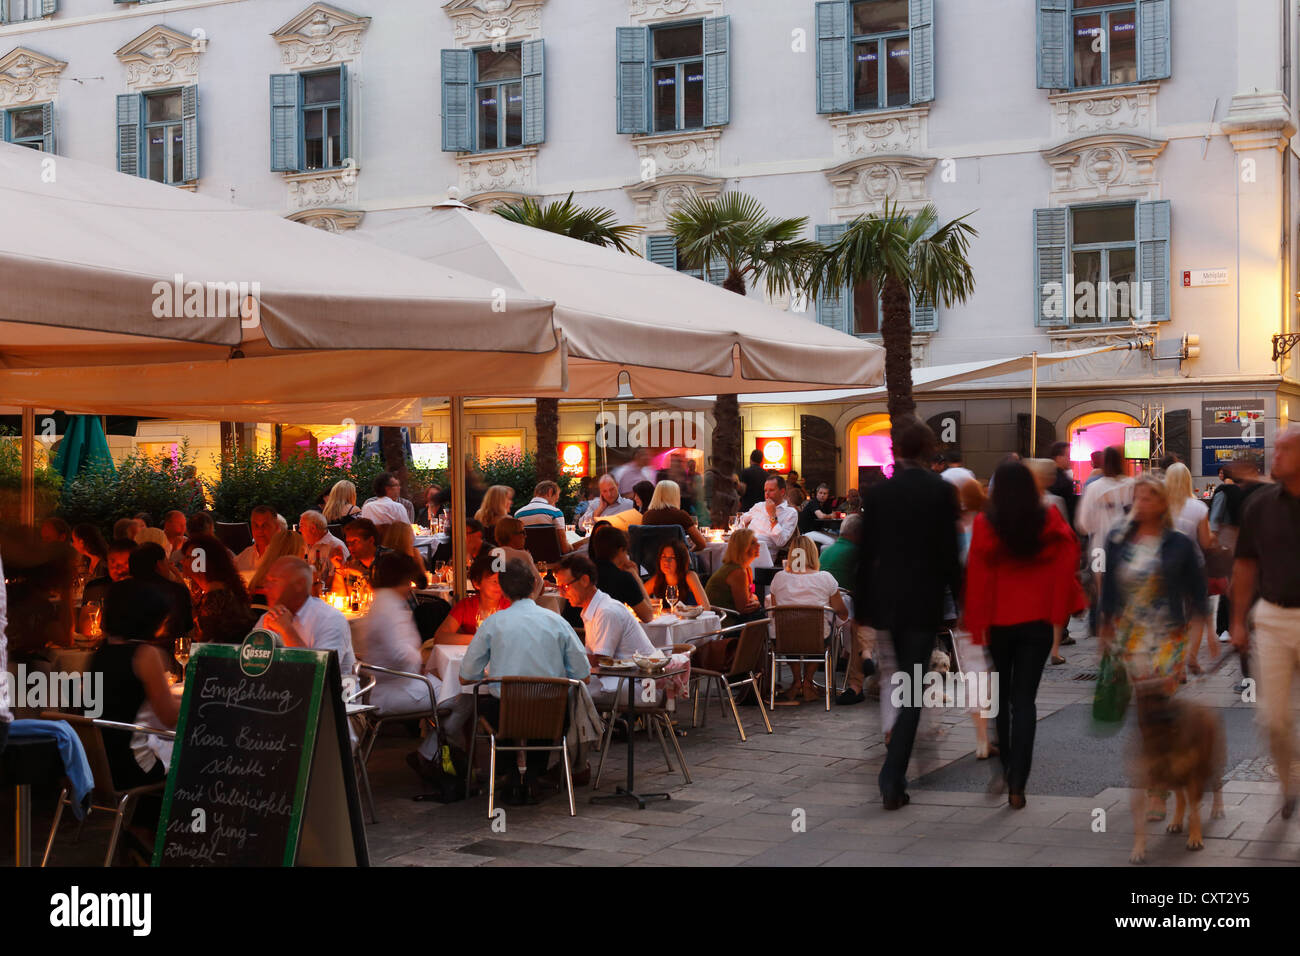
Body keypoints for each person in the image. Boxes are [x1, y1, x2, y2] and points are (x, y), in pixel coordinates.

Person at [964, 461, 1083, 809]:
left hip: (999, 621)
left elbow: (978, 574)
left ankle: (1005, 768)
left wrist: (975, 622)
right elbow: (1067, 558)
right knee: (1025, 702)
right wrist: (1060, 608)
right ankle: (1019, 782)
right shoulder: (1049, 519)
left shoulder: (987, 523)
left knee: (1000, 697)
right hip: (1038, 621)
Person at [857, 417, 961, 811]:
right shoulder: (940, 490)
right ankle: (892, 775)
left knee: (895, 682)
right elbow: (950, 555)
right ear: (927, 450)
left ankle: (895, 772)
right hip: (922, 604)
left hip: (887, 603)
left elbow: (867, 556)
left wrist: (863, 608)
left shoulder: (880, 493)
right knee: (913, 689)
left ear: (898, 452)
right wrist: (959, 603)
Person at [1103, 471, 1207, 822]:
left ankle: (1162, 786)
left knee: (1162, 709)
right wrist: (1103, 627)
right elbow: (1108, 591)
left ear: (1162, 502)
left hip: (1168, 639)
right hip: (1132, 638)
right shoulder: (1118, 539)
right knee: (1146, 715)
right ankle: (1158, 781)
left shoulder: (1177, 543)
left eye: (1149, 497)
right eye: (1138, 497)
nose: (1141, 503)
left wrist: (1197, 642)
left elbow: (1198, 591)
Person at [458, 558, 591, 800]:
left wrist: (494, 675)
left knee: (491, 706)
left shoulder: (493, 623)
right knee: (545, 707)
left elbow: (467, 676)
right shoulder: (557, 622)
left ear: (506, 591)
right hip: (552, 715)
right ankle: (534, 773)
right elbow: (583, 674)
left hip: (506, 716)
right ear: (533, 586)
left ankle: (509, 771)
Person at [1231, 425, 1300, 818]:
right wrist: (1237, 622)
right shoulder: (1259, 506)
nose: (1276, 456)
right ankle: (1289, 785)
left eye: (1286, 450)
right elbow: (1244, 566)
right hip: (1272, 616)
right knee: (1273, 717)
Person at [91, 579, 181, 795]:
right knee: (195, 758)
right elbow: (169, 716)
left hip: (101, 765)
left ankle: (139, 826)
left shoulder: (100, 653)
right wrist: (197, 700)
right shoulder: (146, 654)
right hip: (134, 765)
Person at [555, 553, 659, 707]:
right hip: (625, 679)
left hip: (641, 686)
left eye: (564, 587)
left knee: (560, 692)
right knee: (560, 686)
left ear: (584, 580)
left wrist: (563, 658)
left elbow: (601, 661)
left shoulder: (606, 611)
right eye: (558, 588)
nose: (561, 594)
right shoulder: (593, 609)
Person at [767, 534, 849, 704]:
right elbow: (842, 611)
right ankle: (808, 682)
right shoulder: (826, 578)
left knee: (789, 629)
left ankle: (798, 681)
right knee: (822, 630)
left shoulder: (779, 578)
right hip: (817, 638)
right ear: (813, 553)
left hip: (785, 639)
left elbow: (776, 613)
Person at [356, 551, 433, 714]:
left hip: (389, 682)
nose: (410, 588)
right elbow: (398, 654)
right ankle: (436, 740)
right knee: (458, 695)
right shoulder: (389, 608)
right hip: (394, 688)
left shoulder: (384, 602)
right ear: (402, 580)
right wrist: (420, 662)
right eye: (409, 582)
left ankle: (437, 737)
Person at [257, 557, 356, 675]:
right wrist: (264, 639)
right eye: (266, 581)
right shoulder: (269, 617)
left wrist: (287, 630)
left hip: (336, 692)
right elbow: (251, 666)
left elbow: (318, 674)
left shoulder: (330, 619)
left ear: (299, 584)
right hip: (281, 691)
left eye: (274, 581)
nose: (266, 588)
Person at [1075, 446, 1134, 637]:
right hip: (1128, 547)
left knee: (1102, 592)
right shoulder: (1132, 485)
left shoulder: (1093, 488)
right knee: (1127, 589)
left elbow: (1083, 524)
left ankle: (1106, 631)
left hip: (1100, 546)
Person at [1166, 462, 1217, 674]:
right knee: (1196, 614)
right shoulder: (1198, 508)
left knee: (1172, 615)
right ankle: (1192, 658)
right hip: (1194, 567)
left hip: (1166, 567)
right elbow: (1205, 543)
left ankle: (1176, 664)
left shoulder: (1160, 506)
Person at [820, 513, 875, 704]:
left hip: (822, 613)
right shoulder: (857, 554)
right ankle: (858, 673)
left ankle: (849, 657)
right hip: (843, 613)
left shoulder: (826, 551)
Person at [180, 534, 255, 644]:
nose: (182, 562)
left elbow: (203, 638)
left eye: (187, 557)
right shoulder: (220, 590)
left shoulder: (216, 596)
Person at [434, 552, 512, 645]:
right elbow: (440, 637)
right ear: (476, 583)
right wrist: (479, 639)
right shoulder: (466, 606)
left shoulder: (510, 607)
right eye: (494, 581)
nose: (499, 585)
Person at [127, 543, 193, 647]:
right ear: (159, 565)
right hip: (169, 653)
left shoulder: (121, 591)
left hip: (129, 654)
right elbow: (187, 627)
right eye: (166, 561)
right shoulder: (176, 591)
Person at [588, 524, 655, 622]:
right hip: (607, 633)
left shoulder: (584, 572)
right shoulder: (622, 578)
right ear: (620, 551)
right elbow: (648, 616)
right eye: (626, 552)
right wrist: (636, 578)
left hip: (577, 633)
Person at [705, 527, 763, 621]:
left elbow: (751, 595)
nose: (758, 545)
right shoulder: (737, 572)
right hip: (724, 621)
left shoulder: (746, 568)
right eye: (753, 543)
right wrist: (757, 603)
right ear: (743, 548)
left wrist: (756, 602)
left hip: (733, 615)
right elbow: (744, 608)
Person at [641, 480, 707, 550]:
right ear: (675, 495)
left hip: (652, 559)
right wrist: (689, 553)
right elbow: (701, 544)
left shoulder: (647, 516)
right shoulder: (681, 515)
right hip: (677, 558)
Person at [738, 474, 799, 550]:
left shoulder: (790, 512)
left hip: (762, 552)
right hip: (744, 546)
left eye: (771, 490)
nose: (767, 494)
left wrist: (772, 516)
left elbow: (780, 542)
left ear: (782, 492)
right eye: (765, 490)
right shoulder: (758, 506)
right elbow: (740, 522)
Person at [645, 539, 710, 609]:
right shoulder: (657, 579)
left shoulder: (690, 576)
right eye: (664, 557)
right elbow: (637, 598)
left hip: (691, 619)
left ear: (680, 561)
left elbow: (706, 607)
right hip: (668, 620)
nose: (666, 562)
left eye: (672, 558)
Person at [515, 480, 571, 555]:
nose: (555, 504)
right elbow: (565, 549)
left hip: (528, 561)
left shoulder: (518, 514)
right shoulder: (555, 512)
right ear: (550, 492)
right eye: (555, 500)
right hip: (553, 560)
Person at [247, 529, 306, 600]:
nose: (304, 558)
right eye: (303, 551)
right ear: (296, 553)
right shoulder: (283, 586)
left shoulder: (261, 577)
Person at [300, 510, 349, 592]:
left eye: (301, 526)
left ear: (313, 529)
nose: (299, 530)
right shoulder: (305, 545)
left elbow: (343, 578)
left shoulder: (335, 546)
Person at [338, 518, 389, 586]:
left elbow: (385, 594)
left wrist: (362, 574)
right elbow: (347, 593)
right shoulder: (352, 561)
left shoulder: (388, 559)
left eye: (355, 541)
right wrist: (338, 566)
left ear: (371, 540)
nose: (350, 547)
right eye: (348, 543)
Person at [234, 505, 279, 573]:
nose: (259, 530)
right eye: (256, 525)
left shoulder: (283, 555)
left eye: (265, 525)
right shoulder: (244, 556)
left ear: (276, 527)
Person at [1047, 441, 1079, 526]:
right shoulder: (1063, 482)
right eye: (1068, 456)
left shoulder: (1048, 476)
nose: (1070, 459)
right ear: (1058, 458)